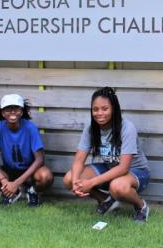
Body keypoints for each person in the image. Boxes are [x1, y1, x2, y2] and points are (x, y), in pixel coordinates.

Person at [63, 87, 151, 223]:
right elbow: (79, 160)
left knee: (117, 187)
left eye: (105, 109)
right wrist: (76, 182)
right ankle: (105, 201)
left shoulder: (127, 127)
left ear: (114, 109)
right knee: (69, 178)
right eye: (95, 109)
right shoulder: (91, 129)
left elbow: (123, 168)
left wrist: (90, 183)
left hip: (137, 172)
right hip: (110, 168)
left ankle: (141, 207)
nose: (99, 113)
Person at [0, 94, 53, 206]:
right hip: (8, 171)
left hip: (29, 171)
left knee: (45, 176)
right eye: (8, 109)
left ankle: (32, 190)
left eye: (16, 108)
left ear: (22, 111)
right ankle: (10, 191)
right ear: (3, 113)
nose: (12, 112)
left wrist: (18, 182)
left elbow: (39, 160)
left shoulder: (30, 127)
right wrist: (4, 181)